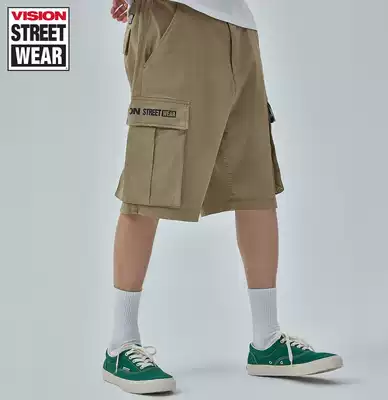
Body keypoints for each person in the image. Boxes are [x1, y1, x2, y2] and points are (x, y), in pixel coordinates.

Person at [103, 0, 343, 394]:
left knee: (255, 187)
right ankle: (120, 344)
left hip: (239, 28)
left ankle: (267, 340)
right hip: (174, 19)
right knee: (149, 184)